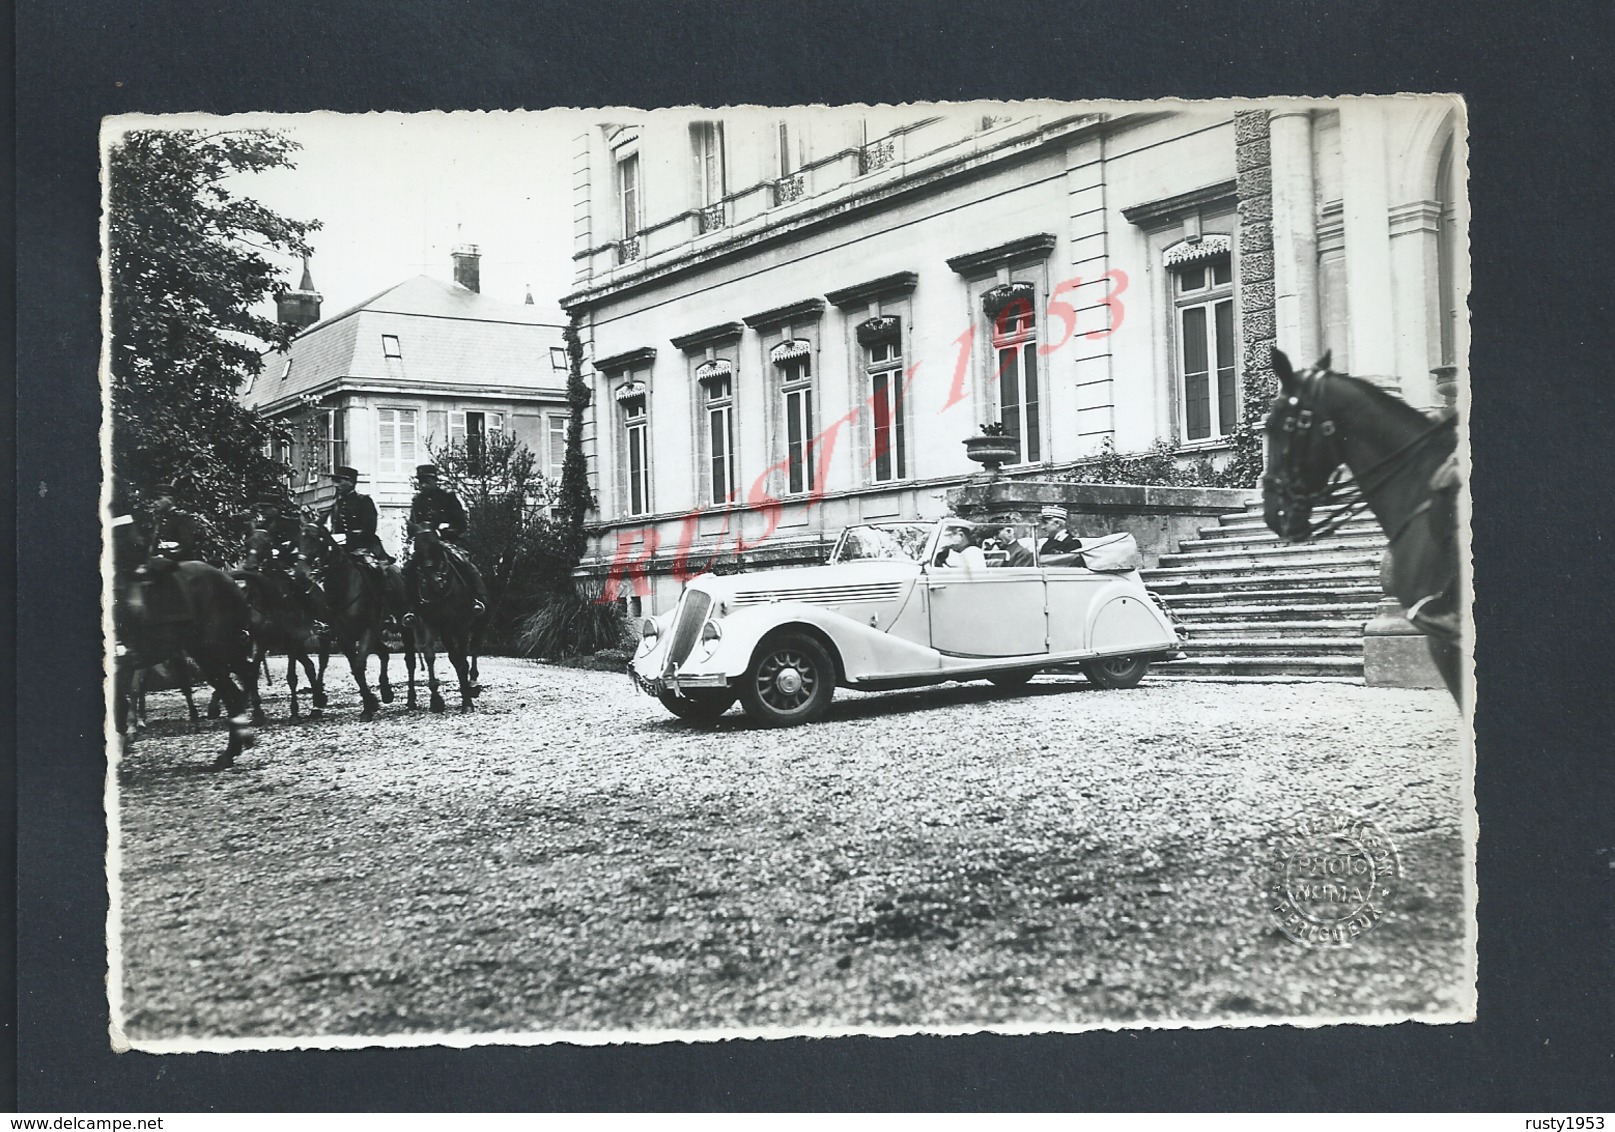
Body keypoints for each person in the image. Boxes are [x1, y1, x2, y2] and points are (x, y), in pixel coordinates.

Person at [407, 464, 488, 617]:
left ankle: (477, 599)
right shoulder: (417, 501)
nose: (423, 484)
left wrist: (447, 529)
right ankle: (411, 608)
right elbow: (413, 524)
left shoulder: (448, 498)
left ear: (435, 481)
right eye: (421, 481)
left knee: (466, 564)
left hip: (448, 542)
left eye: (427, 481)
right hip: (425, 546)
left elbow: (461, 524)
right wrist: (414, 532)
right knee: (409, 569)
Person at [323, 466, 393, 565]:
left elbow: (369, 528)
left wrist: (350, 537)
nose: (336, 485)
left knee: (376, 570)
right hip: (341, 548)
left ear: (351, 482)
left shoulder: (364, 501)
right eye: (334, 481)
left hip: (364, 546)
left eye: (339, 481)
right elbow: (335, 529)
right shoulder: (337, 504)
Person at [146, 483, 201, 563]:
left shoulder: (182, 518)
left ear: (170, 500)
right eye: (154, 500)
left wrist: (164, 556)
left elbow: (187, 545)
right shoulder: (158, 519)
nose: (154, 502)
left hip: (178, 565)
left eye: (158, 499)